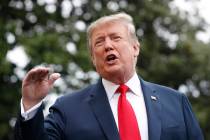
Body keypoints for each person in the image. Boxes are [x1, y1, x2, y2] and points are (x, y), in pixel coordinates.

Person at [15, 12, 204, 140]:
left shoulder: (176, 102)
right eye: (99, 42)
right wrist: (31, 105)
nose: (107, 46)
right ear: (92, 59)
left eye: (115, 38)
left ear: (135, 47)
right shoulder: (67, 109)